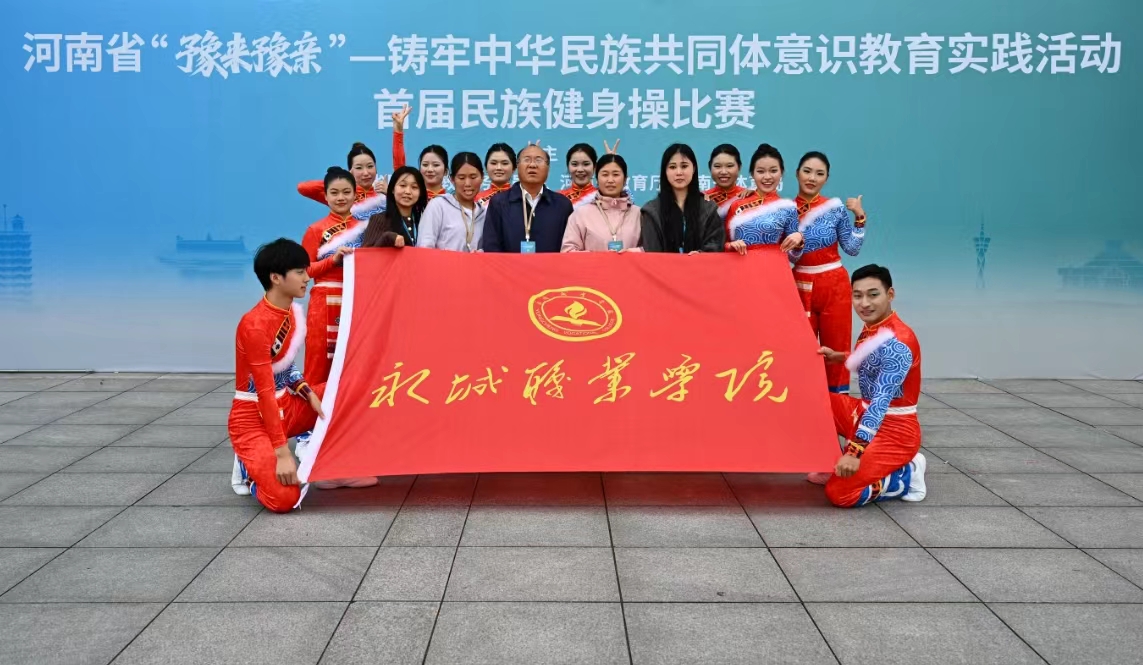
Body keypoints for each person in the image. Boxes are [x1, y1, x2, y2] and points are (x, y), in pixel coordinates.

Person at [227, 239, 350, 512]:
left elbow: (286, 368)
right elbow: (264, 392)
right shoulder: (254, 325)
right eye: (300, 272)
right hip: (253, 418)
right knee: (285, 499)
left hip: (287, 407)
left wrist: (309, 394)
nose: (307, 277)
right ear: (276, 278)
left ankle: (339, 468)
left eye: (306, 270)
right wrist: (283, 454)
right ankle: (248, 469)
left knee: (349, 389)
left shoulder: (291, 312)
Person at [814, 264, 926, 506]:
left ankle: (906, 475)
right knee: (812, 402)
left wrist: (855, 453)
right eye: (857, 296)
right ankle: (833, 462)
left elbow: (880, 403)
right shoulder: (876, 327)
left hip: (894, 430)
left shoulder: (899, 344)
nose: (864, 303)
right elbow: (873, 359)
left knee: (839, 494)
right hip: (862, 412)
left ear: (890, 294)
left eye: (873, 295)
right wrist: (840, 357)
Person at [794, 151, 867, 394]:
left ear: (826, 178)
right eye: (807, 171)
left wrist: (859, 217)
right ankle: (804, 402)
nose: (812, 178)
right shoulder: (785, 211)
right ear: (797, 173)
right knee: (800, 347)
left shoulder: (834, 209)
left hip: (834, 284)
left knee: (836, 345)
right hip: (799, 283)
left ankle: (838, 404)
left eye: (819, 173)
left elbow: (852, 248)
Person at [480, 143, 573, 253]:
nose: (532, 165)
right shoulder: (499, 202)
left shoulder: (562, 205)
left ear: (548, 168)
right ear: (517, 166)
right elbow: (491, 247)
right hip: (509, 265)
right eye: (527, 160)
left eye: (538, 160)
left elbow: (568, 248)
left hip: (551, 264)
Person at [639, 144, 725, 254]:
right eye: (672, 167)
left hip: (701, 265)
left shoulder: (709, 209)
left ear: (693, 169)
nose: (679, 172)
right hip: (662, 265)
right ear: (665, 171)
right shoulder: (652, 211)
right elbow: (652, 252)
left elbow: (715, 246)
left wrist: (700, 255)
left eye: (684, 166)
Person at [724, 144, 803, 256]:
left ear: (781, 172)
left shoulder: (788, 208)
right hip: (740, 266)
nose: (767, 177)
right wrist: (730, 246)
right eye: (761, 171)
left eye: (773, 171)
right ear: (752, 174)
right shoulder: (736, 205)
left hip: (772, 265)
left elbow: (793, 257)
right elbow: (723, 244)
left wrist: (799, 243)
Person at [561, 154, 642, 253]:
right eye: (605, 174)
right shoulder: (581, 214)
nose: (610, 180)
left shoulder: (639, 214)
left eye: (616, 174)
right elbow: (568, 252)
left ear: (625, 180)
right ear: (597, 179)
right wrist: (598, 257)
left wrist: (632, 253)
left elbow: (651, 249)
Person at [418, 152, 487, 252]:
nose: (467, 183)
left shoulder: (484, 214)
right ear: (452, 179)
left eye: (473, 177)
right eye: (461, 178)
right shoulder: (438, 206)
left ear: (482, 177)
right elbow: (424, 247)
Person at [391, 105, 449, 200]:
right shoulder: (411, 198)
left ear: (446, 171)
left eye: (436, 165)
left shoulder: (453, 201)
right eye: (425, 165)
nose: (430, 169)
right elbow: (399, 168)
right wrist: (398, 130)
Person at [361, 166, 427, 249]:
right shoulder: (378, 219)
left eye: (414, 187)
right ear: (392, 189)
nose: (408, 191)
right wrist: (386, 238)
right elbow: (366, 254)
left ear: (420, 193)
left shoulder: (425, 222)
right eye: (403, 185)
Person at [297, 143, 383, 205]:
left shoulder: (384, 193)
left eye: (370, 166)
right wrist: (337, 181)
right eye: (359, 168)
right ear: (350, 172)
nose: (366, 173)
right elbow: (303, 188)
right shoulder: (342, 195)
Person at [703, 144, 748, 221]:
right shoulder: (702, 199)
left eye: (729, 166)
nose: (723, 172)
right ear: (710, 167)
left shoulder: (749, 197)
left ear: (739, 167)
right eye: (717, 166)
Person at [558, 143, 599, 209]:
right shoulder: (557, 198)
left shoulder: (602, 197)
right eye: (575, 164)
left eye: (586, 164)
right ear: (568, 166)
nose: (580, 170)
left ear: (595, 167)